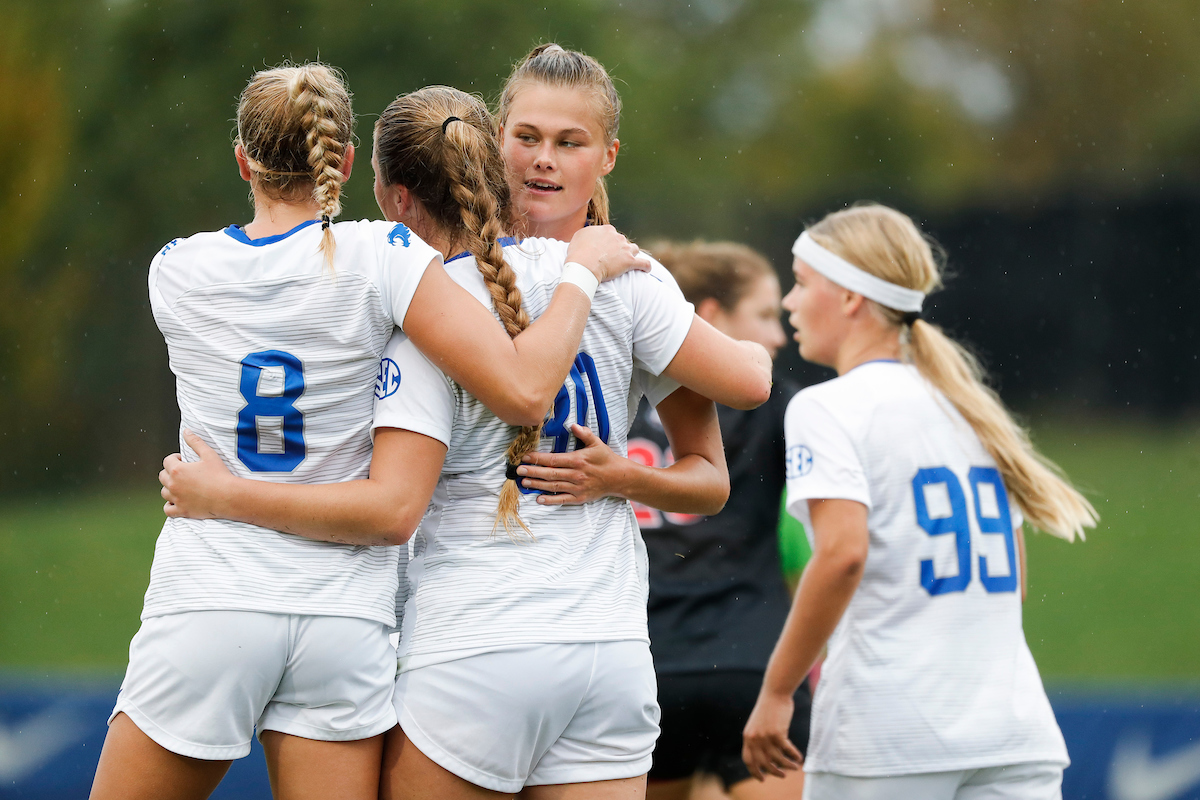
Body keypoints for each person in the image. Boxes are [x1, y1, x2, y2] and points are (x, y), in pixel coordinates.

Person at [158, 85, 774, 800]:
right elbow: (748, 384)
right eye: (532, 139)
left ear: (392, 197)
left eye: (565, 142)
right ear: (497, 154)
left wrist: (225, 493)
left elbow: (397, 504)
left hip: (475, 644)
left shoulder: (426, 318)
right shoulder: (627, 279)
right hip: (610, 656)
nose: (546, 160)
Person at [91, 63, 645, 800]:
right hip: (342, 619)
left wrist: (224, 495)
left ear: (241, 160)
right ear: (345, 162)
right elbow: (519, 387)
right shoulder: (385, 256)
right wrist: (575, 273)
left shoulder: (176, 269)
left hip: (213, 594)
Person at [742, 203, 1098, 800]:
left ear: (851, 298)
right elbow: (1015, 581)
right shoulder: (971, 408)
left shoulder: (827, 406)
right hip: (1014, 735)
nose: (790, 303)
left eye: (803, 283)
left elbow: (841, 557)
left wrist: (777, 692)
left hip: (889, 738)